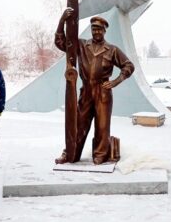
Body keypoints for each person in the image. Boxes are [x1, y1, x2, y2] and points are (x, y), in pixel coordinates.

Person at [54, 10, 135, 165]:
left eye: (99, 29)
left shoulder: (112, 50)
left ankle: (100, 154)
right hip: (86, 92)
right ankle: (70, 153)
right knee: (78, 124)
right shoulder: (82, 45)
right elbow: (61, 42)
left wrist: (116, 81)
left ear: (104, 30)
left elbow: (128, 66)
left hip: (103, 92)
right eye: (93, 29)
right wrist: (62, 21)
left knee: (102, 126)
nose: (96, 32)